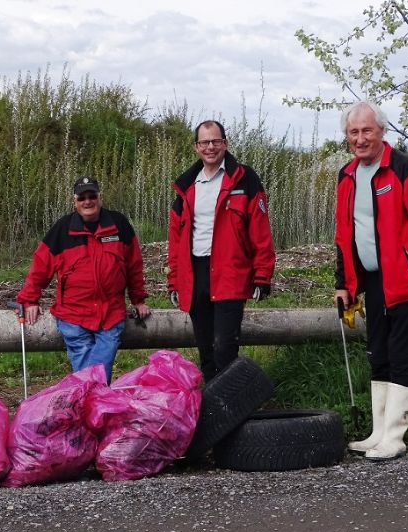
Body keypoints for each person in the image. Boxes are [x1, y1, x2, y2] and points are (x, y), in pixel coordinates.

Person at [334, 101, 408, 461]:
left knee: (403, 355)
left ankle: (395, 437)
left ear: (382, 131)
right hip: (373, 282)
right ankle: (378, 433)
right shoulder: (347, 175)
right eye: (354, 132)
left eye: (367, 131)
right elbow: (343, 235)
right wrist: (343, 282)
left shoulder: (406, 170)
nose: (360, 138)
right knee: (378, 354)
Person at [167, 120, 276, 383]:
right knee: (206, 350)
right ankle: (215, 411)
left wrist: (262, 275)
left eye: (216, 141)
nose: (210, 147)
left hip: (230, 271)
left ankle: (232, 409)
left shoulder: (244, 178)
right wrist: (174, 280)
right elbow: (176, 238)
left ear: (225, 144)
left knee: (225, 348)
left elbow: (260, 230)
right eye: (204, 142)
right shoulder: (186, 186)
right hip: (196, 272)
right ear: (196, 147)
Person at [17, 176, 150, 384]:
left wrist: (138, 299)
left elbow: (134, 265)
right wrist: (29, 300)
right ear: (75, 202)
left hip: (111, 314)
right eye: (82, 198)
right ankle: (94, 407)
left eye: (92, 196)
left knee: (93, 374)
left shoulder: (119, 225)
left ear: (100, 198)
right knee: (94, 376)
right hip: (73, 316)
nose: (87, 202)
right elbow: (40, 266)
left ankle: (88, 405)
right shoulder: (62, 229)